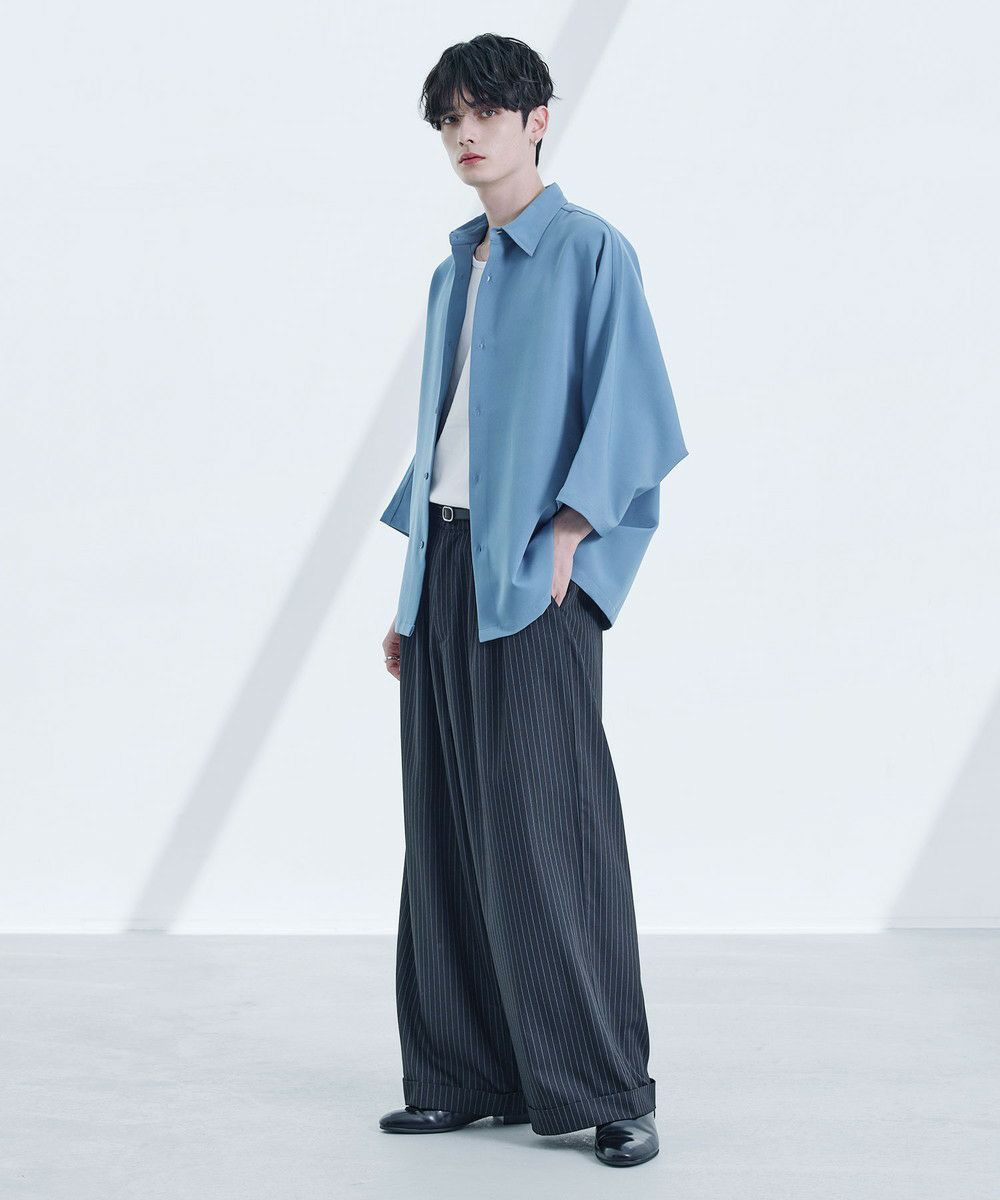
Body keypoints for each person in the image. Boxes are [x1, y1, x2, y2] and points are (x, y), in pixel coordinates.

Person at [377, 33, 687, 1169]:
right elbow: (444, 444)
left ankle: (605, 1088)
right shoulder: (452, 270)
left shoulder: (589, 250)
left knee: (551, 831)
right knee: (447, 832)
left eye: (487, 114)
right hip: (447, 569)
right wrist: (411, 593)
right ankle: (466, 1076)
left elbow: (636, 409)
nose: (466, 134)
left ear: (537, 120)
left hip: (534, 578)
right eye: (449, 118)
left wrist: (569, 532)